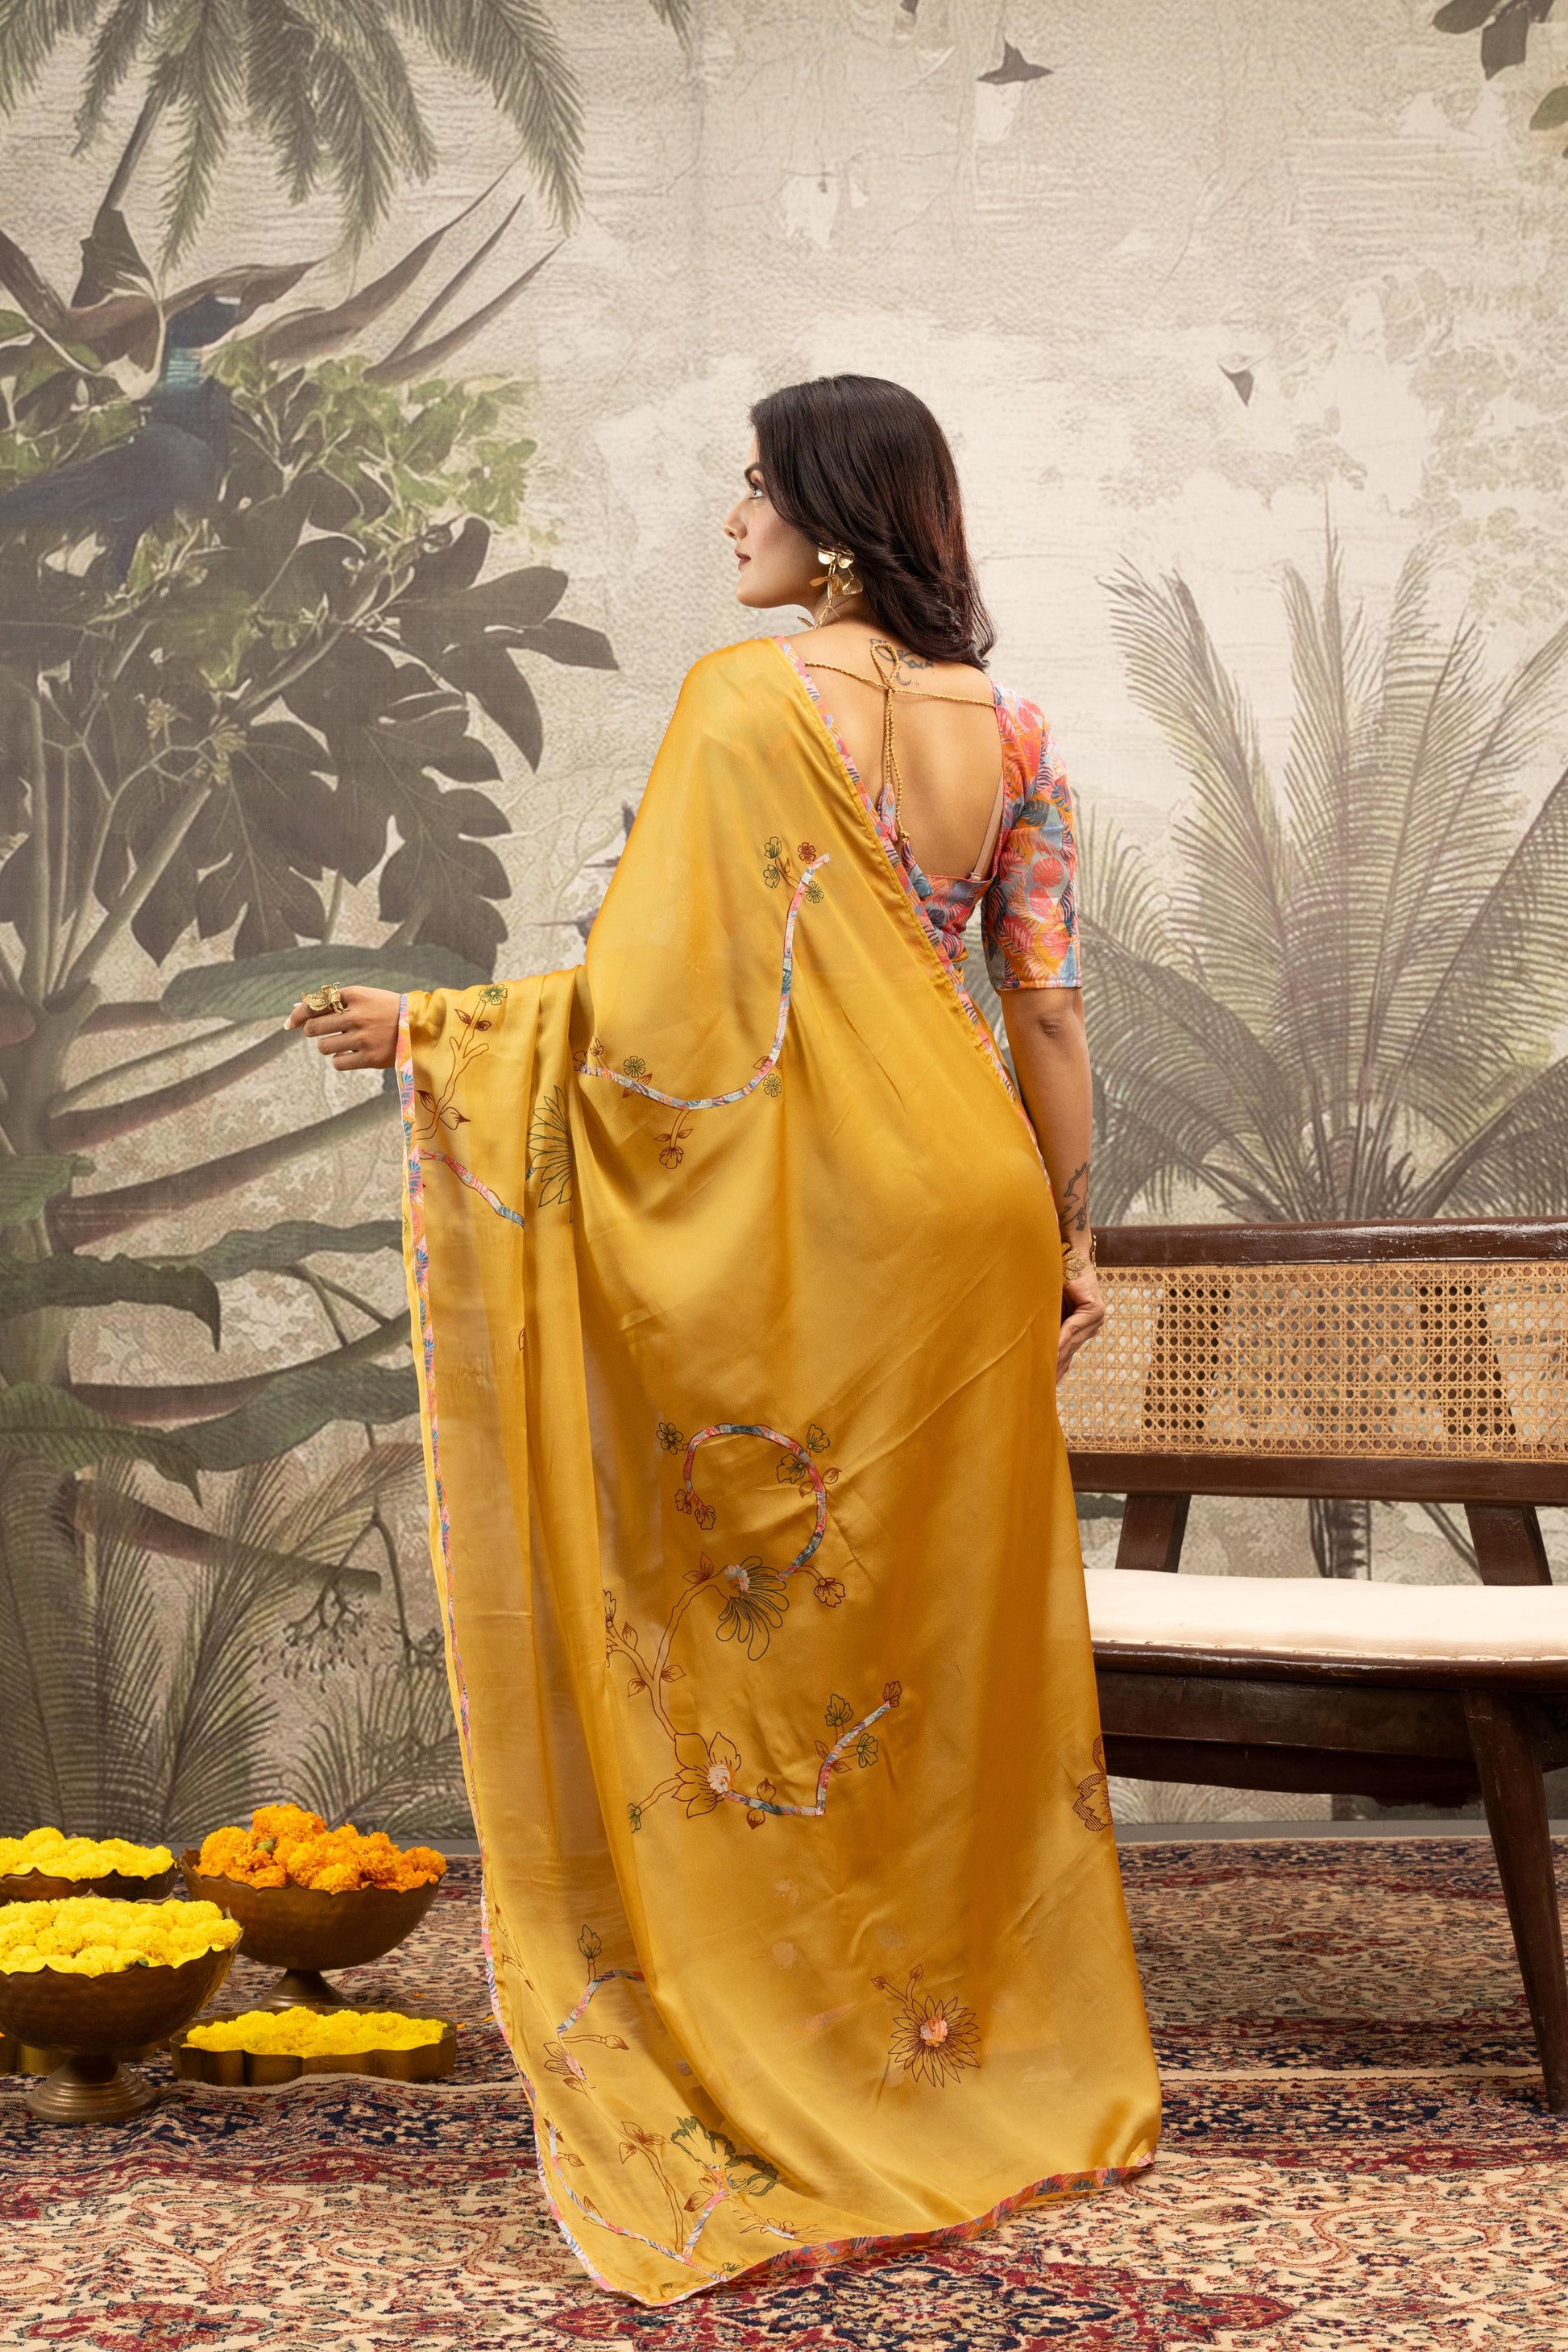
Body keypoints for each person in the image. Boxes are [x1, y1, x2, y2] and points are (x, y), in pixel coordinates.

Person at [287, 374, 1159, 2306]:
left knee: (775, 1615)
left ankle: (790, 2026)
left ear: (832, 516)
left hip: (816, 1220)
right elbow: (1048, 1010)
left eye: (755, 484)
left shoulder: (745, 700)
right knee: (932, 1630)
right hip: (972, 1211)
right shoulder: (1014, 731)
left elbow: (663, 1019)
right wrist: (1071, 1228)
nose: (730, 515)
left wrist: (443, 1029)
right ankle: (944, 2036)